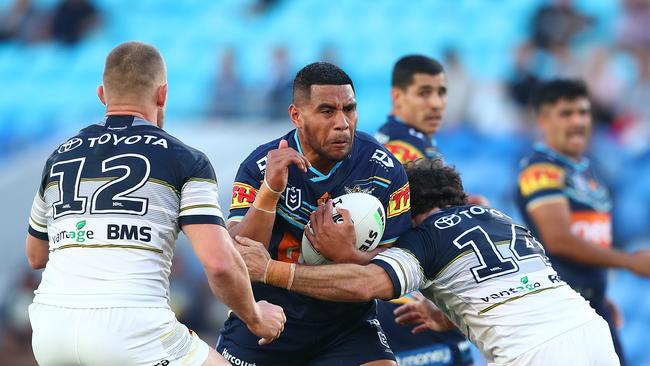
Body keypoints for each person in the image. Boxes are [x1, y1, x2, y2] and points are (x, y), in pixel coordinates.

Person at [25, 41, 285, 366]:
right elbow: (218, 263)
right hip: (132, 327)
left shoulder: (59, 156)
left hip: (50, 329)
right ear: (162, 94)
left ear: (102, 95)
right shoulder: (184, 159)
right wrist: (255, 316)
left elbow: (35, 255)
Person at [235, 158, 622, 366]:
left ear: (409, 210)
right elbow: (490, 283)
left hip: (533, 353)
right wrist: (450, 312)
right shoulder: (501, 220)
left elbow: (367, 284)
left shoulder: (424, 236)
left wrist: (270, 270)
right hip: (591, 331)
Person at [218, 61, 413, 365]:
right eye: (327, 111)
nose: (343, 123)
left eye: (349, 109)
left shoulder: (384, 171)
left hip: (346, 324)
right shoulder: (259, 166)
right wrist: (270, 191)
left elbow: (391, 273)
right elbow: (240, 259)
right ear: (296, 115)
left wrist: (348, 254)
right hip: (267, 318)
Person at [516, 79, 650, 365]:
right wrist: (629, 262)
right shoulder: (542, 169)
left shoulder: (586, 171)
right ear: (543, 119)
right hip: (560, 311)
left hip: (591, 302)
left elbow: (591, 236)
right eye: (566, 114)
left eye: (583, 112)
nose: (577, 121)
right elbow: (558, 239)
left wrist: (598, 287)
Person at [374, 54, 473, 365]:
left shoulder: (418, 144)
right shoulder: (401, 151)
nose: (436, 103)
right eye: (424, 92)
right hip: (410, 297)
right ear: (397, 96)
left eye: (441, 92)